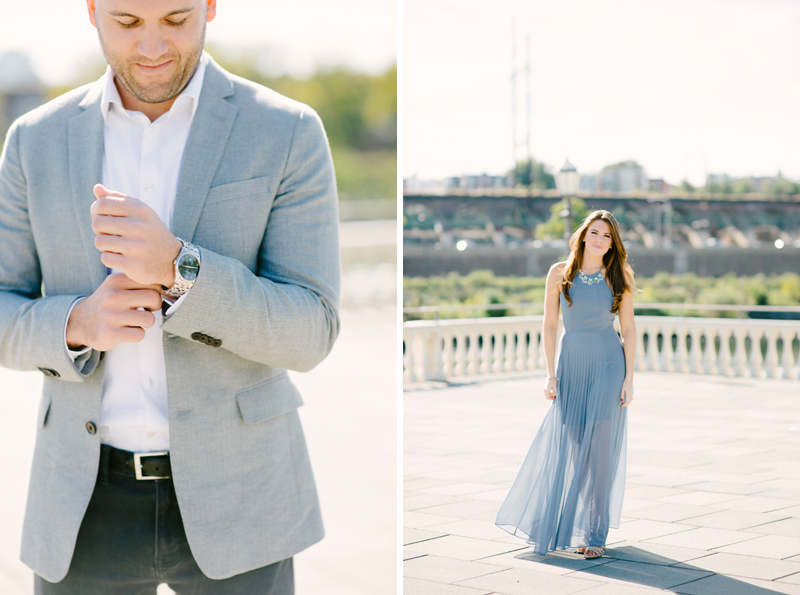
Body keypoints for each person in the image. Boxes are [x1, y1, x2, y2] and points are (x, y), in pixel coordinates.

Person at [0, 0, 340, 592]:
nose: (154, 48)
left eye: (177, 19)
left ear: (210, 5)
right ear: (92, 11)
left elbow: (312, 329)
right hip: (80, 503)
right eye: (127, 23)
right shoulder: (33, 140)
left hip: (244, 494)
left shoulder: (288, 130)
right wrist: (76, 323)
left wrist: (179, 271)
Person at [495, 210, 637, 560]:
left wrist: (630, 379)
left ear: (613, 242)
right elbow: (549, 325)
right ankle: (570, 526)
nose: (600, 240)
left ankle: (595, 535)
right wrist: (550, 374)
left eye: (607, 236)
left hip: (608, 363)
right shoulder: (559, 274)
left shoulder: (619, 275)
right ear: (583, 235)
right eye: (595, 233)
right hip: (571, 365)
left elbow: (630, 329)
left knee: (599, 452)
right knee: (577, 451)